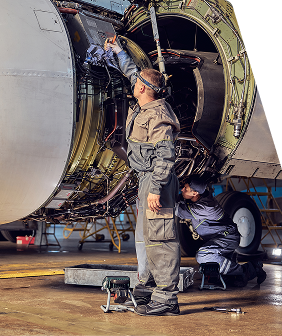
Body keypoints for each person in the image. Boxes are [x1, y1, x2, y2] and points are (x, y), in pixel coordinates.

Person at [104, 37, 181, 316]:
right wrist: (118, 51)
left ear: (144, 89)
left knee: (161, 238)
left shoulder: (158, 114)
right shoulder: (146, 100)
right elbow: (130, 70)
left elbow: (166, 155)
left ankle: (167, 299)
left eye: (137, 82)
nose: (133, 83)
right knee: (149, 236)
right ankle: (148, 291)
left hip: (156, 180)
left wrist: (155, 189)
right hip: (146, 178)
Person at [176, 175, 267, 287]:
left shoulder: (205, 207)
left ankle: (246, 270)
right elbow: (181, 199)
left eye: (185, 188)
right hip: (221, 238)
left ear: (195, 193)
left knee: (203, 256)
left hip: (227, 238)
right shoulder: (199, 197)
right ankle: (243, 271)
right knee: (216, 276)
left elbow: (179, 211)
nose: (182, 190)